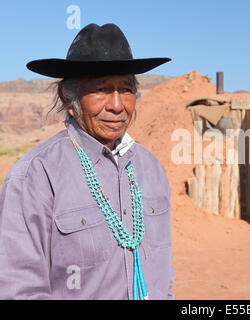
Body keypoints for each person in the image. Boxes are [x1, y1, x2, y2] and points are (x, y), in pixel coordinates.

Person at [0, 23, 174, 300]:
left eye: (126, 89)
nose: (117, 105)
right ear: (67, 97)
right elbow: (20, 290)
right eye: (101, 89)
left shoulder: (150, 168)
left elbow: (163, 277)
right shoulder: (34, 177)